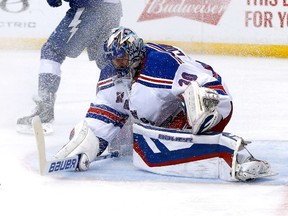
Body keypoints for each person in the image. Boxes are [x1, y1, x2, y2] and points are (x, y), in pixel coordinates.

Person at [52, 26, 274, 181]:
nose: (118, 65)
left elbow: (205, 84)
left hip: (202, 107)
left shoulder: (161, 64)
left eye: (122, 59)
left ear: (135, 52)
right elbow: (106, 113)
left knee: (196, 105)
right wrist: (88, 144)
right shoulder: (111, 74)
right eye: (114, 60)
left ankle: (236, 156)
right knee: (130, 142)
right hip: (156, 120)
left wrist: (209, 106)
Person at [17, 0, 122, 134]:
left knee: (52, 51)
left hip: (89, 8)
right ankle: (125, 104)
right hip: (112, 10)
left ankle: (44, 108)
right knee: (105, 59)